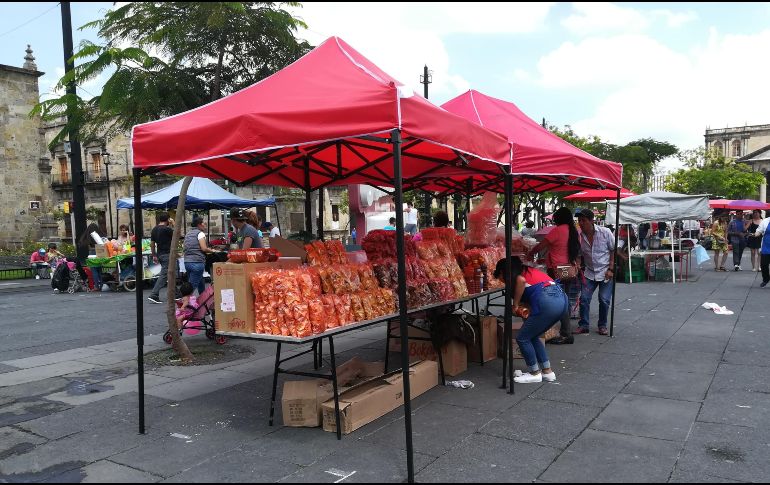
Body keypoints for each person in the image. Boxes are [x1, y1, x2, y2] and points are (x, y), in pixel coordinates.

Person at [493, 256, 566, 383]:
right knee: (533, 335)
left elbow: (521, 281)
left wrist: (515, 305)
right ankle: (547, 371)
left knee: (522, 337)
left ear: (502, 272)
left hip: (547, 301)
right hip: (560, 300)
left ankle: (534, 373)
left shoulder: (519, 277)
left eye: (500, 277)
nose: (502, 281)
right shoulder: (530, 271)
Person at [526, 207, 580, 345]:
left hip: (557, 270)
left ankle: (566, 333)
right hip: (568, 269)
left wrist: (530, 253)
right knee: (565, 298)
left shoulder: (557, 230)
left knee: (560, 300)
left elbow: (541, 246)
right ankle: (564, 330)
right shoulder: (574, 231)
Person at [574, 209, 618, 336]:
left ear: (591, 221)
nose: (581, 223)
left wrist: (611, 269)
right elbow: (579, 255)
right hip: (589, 272)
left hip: (605, 271)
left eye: (583, 220)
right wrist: (577, 264)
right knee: (584, 299)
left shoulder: (605, 232)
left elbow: (613, 250)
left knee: (604, 299)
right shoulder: (580, 237)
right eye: (579, 221)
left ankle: (602, 325)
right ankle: (584, 325)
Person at [184, 216, 217, 295]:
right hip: (197, 262)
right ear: (199, 225)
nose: (205, 225)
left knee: (200, 281)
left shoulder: (188, 234)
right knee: (191, 288)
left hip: (187, 262)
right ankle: (183, 305)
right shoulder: (200, 233)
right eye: (203, 223)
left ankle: (202, 298)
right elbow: (204, 248)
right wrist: (212, 251)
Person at [148, 212, 175, 304]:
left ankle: (176, 294)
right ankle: (154, 294)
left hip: (159, 254)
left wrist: (154, 255)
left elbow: (152, 244)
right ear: (168, 220)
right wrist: (173, 224)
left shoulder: (154, 229)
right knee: (164, 275)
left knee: (170, 274)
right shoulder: (167, 229)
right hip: (167, 254)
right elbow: (177, 235)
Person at [78, 223, 106, 291]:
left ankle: (96, 286)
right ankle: (102, 285)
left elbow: (82, 243)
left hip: (92, 252)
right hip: (100, 252)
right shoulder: (99, 234)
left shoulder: (88, 235)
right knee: (100, 270)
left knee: (94, 270)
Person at [754, 212, 770, 287]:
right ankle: (766, 279)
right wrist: (756, 233)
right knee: (764, 265)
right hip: (766, 246)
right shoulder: (765, 221)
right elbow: (759, 230)